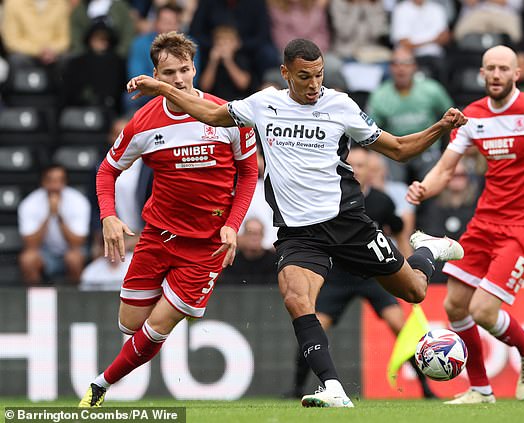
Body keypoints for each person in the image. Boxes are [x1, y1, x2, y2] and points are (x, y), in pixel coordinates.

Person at [127, 37, 468, 408]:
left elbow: (400, 149)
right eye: (304, 76)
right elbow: (209, 113)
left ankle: (430, 250)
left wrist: (440, 126)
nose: (313, 84)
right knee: (295, 298)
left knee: (415, 290)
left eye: (319, 75)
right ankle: (333, 386)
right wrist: (160, 87)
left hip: (348, 223)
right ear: (285, 73)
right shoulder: (264, 104)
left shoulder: (340, 105)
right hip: (299, 233)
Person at [78, 31, 259, 407]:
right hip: (157, 237)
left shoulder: (228, 115)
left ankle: (99, 386)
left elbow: (249, 172)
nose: (178, 79)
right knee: (130, 325)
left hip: (207, 244)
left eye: (184, 70)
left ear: (195, 68)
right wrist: (109, 217)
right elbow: (105, 172)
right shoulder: (143, 124)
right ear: (156, 75)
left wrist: (233, 223)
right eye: (169, 72)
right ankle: (179, 300)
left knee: (156, 327)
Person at [407, 45, 524, 404]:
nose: (496, 74)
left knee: (483, 310)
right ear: (482, 72)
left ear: (517, 73)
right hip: (485, 221)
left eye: (503, 68)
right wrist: (425, 187)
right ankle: (481, 390)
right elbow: (446, 167)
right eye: (490, 68)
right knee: (455, 306)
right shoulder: (473, 115)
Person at [285, 146, 437, 400]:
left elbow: (398, 229)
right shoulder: (329, 198)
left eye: (362, 165)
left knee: (399, 325)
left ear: (372, 171)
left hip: (373, 275)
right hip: (338, 277)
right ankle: (297, 388)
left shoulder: (381, 201)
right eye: (351, 163)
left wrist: (405, 264)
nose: (356, 169)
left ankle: (426, 389)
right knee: (314, 325)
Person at [367, 46, 453, 184]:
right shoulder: (379, 95)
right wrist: (374, 157)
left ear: (414, 67)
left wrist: (448, 150)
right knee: (390, 180)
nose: (401, 68)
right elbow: (369, 132)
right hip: (395, 150)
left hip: (427, 148)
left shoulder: (432, 90)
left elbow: (452, 118)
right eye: (396, 63)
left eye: (406, 63)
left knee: (434, 179)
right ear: (390, 68)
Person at [18, 164, 91, 285]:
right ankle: (36, 300)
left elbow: (77, 242)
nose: (55, 186)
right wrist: (48, 215)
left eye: (59, 180)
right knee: (27, 259)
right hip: (44, 253)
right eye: (50, 180)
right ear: (43, 182)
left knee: (74, 258)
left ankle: (74, 300)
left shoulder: (79, 202)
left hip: (71, 250)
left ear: (65, 182)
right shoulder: (29, 203)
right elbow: (30, 244)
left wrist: (58, 216)